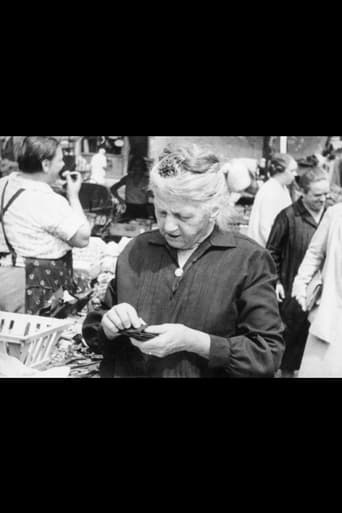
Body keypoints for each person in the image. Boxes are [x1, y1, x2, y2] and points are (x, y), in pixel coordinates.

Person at [82, 144, 284, 378]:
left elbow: (267, 354)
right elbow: (95, 331)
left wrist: (196, 342)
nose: (168, 226)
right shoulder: (138, 249)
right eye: (161, 212)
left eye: (183, 216)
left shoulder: (249, 260)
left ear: (214, 210)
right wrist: (109, 325)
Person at [0, 136, 91, 315]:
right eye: (60, 159)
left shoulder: (3, 185)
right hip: (31, 284)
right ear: (45, 164)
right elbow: (82, 237)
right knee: (30, 337)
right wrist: (73, 195)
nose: (63, 164)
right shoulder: (46, 199)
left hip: (5, 274)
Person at [266, 167, 330, 377]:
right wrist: (275, 282)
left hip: (323, 294)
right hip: (292, 293)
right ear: (302, 192)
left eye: (326, 194)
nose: (323, 199)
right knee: (291, 347)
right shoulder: (288, 217)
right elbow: (271, 252)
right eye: (317, 195)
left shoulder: (332, 215)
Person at [292, 202, 342, 377]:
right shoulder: (335, 214)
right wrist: (301, 283)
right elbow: (314, 253)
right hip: (333, 311)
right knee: (322, 368)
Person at [247, 153, 298, 247]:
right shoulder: (270, 191)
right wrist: (278, 251)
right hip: (264, 249)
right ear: (280, 170)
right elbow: (265, 228)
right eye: (292, 171)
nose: (295, 174)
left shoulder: (282, 189)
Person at [110, 154, 152, 220]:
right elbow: (113, 189)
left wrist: (149, 193)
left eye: (139, 165)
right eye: (135, 165)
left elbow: (155, 195)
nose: (137, 167)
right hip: (129, 209)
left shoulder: (147, 180)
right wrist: (120, 200)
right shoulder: (127, 178)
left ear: (143, 167)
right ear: (132, 166)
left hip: (142, 210)